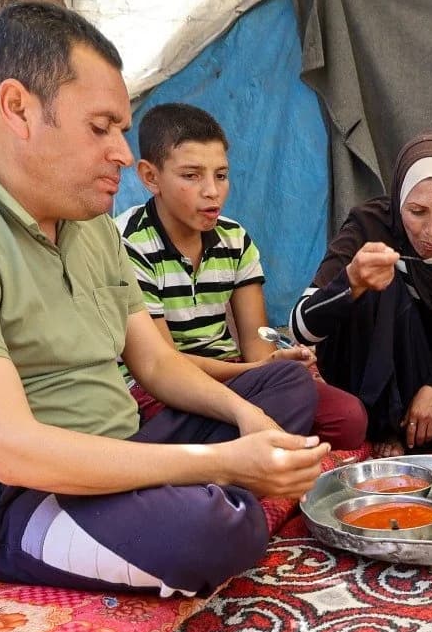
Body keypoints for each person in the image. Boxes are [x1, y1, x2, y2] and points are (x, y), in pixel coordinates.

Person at [0, 2, 329, 597]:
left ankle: (194, 491)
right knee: (217, 535)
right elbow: (14, 452)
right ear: (18, 108)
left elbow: (157, 363)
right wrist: (222, 463)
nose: (121, 152)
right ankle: (208, 500)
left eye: (122, 128)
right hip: (5, 500)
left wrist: (246, 417)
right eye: (101, 128)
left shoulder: (85, 220)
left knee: (286, 389)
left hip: (120, 449)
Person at [117, 101, 366, 449]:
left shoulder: (235, 239)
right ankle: (238, 456)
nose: (212, 191)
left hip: (230, 372)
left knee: (348, 419)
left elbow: (256, 344)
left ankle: (238, 447)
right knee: (272, 403)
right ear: (150, 177)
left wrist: (275, 364)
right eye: (191, 175)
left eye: (220, 175)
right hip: (161, 389)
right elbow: (160, 364)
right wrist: (261, 375)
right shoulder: (128, 245)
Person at [290, 134, 432, 456]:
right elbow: (300, 327)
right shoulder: (368, 226)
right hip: (367, 357)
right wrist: (352, 282)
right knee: (382, 281)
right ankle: (386, 423)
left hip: (429, 360)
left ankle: (392, 423)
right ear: (399, 199)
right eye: (417, 211)